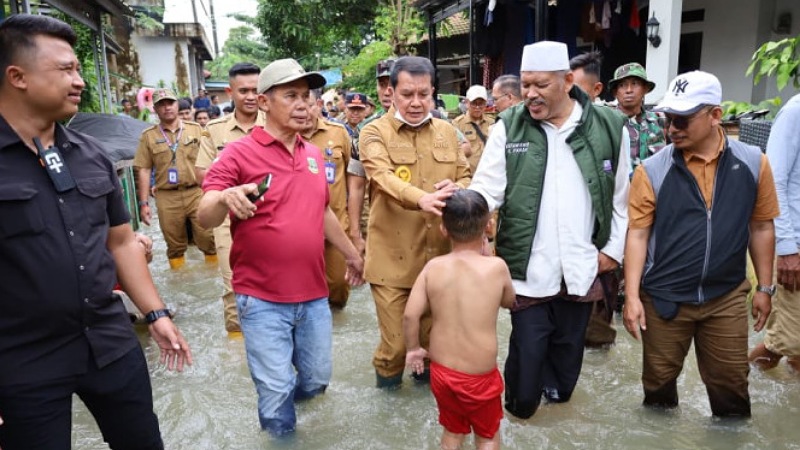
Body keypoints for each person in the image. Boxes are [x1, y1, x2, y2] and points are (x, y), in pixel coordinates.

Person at [0, 14, 192, 449]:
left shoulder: (91, 155)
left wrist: (155, 314)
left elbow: (121, 241)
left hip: (108, 341)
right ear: (17, 76)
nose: (80, 80)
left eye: (78, 69)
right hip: (21, 359)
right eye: (65, 69)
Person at [197, 58, 364, 437]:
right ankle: (281, 436)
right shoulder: (238, 153)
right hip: (262, 299)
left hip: (314, 296)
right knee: (275, 393)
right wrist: (225, 197)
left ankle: (301, 424)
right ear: (264, 102)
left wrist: (353, 253)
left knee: (317, 380)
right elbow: (204, 216)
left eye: (307, 95)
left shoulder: (312, 154)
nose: (304, 104)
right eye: (291, 95)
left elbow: (320, 210)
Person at [469, 41, 630, 419]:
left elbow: (621, 199)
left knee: (564, 377)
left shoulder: (609, 127)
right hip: (527, 269)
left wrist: (612, 253)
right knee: (524, 388)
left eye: (540, 85)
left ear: (569, 80)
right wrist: (463, 206)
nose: (529, 94)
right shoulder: (510, 126)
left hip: (581, 266)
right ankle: (517, 417)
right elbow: (485, 189)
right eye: (525, 85)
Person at [623, 71, 778, 417]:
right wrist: (632, 296)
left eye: (682, 119)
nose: (672, 128)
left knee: (731, 389)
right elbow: (637, 234)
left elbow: (761, 226)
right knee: (658, 388)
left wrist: (765, 287)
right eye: (668, 119)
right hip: (664, 298)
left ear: (715, 116)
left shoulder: (754, 163)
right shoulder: (651, 170)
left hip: (725, 296)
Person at [360, 55, 471, 388]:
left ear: (433, 92)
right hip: (391, 260)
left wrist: (458, 188)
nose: (415, 102)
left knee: (434, 345)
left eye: (423, 94)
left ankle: (429, 411)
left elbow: (466, 176)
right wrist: (420, 198)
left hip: (439, 259)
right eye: (407, 94)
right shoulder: (372, 133)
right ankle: (388, 405)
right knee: (395, 348)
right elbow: (380, 176)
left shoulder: (448, 133)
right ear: (391, 92)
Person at [404, 189, 514, 450]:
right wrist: (489, 260)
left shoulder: (433, 267)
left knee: (452, 432)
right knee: (487, 436)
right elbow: (509, 301)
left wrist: (413, 349)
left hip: (442, 373)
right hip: (480, 377)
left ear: (444, 229)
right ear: (488, 226)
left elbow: (410, 314)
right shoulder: (496, 267)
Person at [195, 62, 265, 334]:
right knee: (232, 284)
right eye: (243, 90)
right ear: (230, 92)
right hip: (228, 217)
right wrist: (229, 189)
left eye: (255, 91)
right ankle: (236, 353)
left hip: (269, 213)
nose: (250, 96)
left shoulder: (275, 125)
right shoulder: (215, 130)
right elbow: (202, 173)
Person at [134, 88, 216, 269]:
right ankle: (180, 280)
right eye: (161, 105)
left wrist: (215, 192)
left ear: (177, 105)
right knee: (174, 245)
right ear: (155, 109)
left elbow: (211, 161)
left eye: (170, 103)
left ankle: (213, 280)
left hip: (196, 192)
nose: (167, 108)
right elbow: (144, 169)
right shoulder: (149, 136)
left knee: (208, 238)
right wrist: (144, 204)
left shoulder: (196, 130)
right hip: (166, 196)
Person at [749, 93, 800, 372]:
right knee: (785, 341)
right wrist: (788, 249)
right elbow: (773, 181)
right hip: (796, 247)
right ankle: (732, 384)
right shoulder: (795, 113)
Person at [302, 87, 354, 309]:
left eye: (309, 104)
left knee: (339, 286)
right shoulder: (286, 136)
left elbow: (353, 176)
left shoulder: (338, 132)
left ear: (319, 106)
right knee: (302, 287)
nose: (304, 110)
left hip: (336, 225)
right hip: (300, 228)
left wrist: (356, 227)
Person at [347, 58, 396, 256]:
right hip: (380, 221)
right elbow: (356, 185)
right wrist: (355, 233)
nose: (387, 91)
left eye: (392, 84)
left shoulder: (434, 120)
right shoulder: (365, 129)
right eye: (382, 85)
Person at [609, 62, 668, 169]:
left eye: (635, 84)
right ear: (615, 92)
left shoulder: (660, 121)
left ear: (645, 89)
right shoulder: (607, 123)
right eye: (622, 85)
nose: (629, 90)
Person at [453, 85, 495, 175]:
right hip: (468, 176)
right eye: (474, 103)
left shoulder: (492, 123)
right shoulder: (457, 124)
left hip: (488, 174)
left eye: (481, 103)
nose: (477, 107)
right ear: (467, 103)